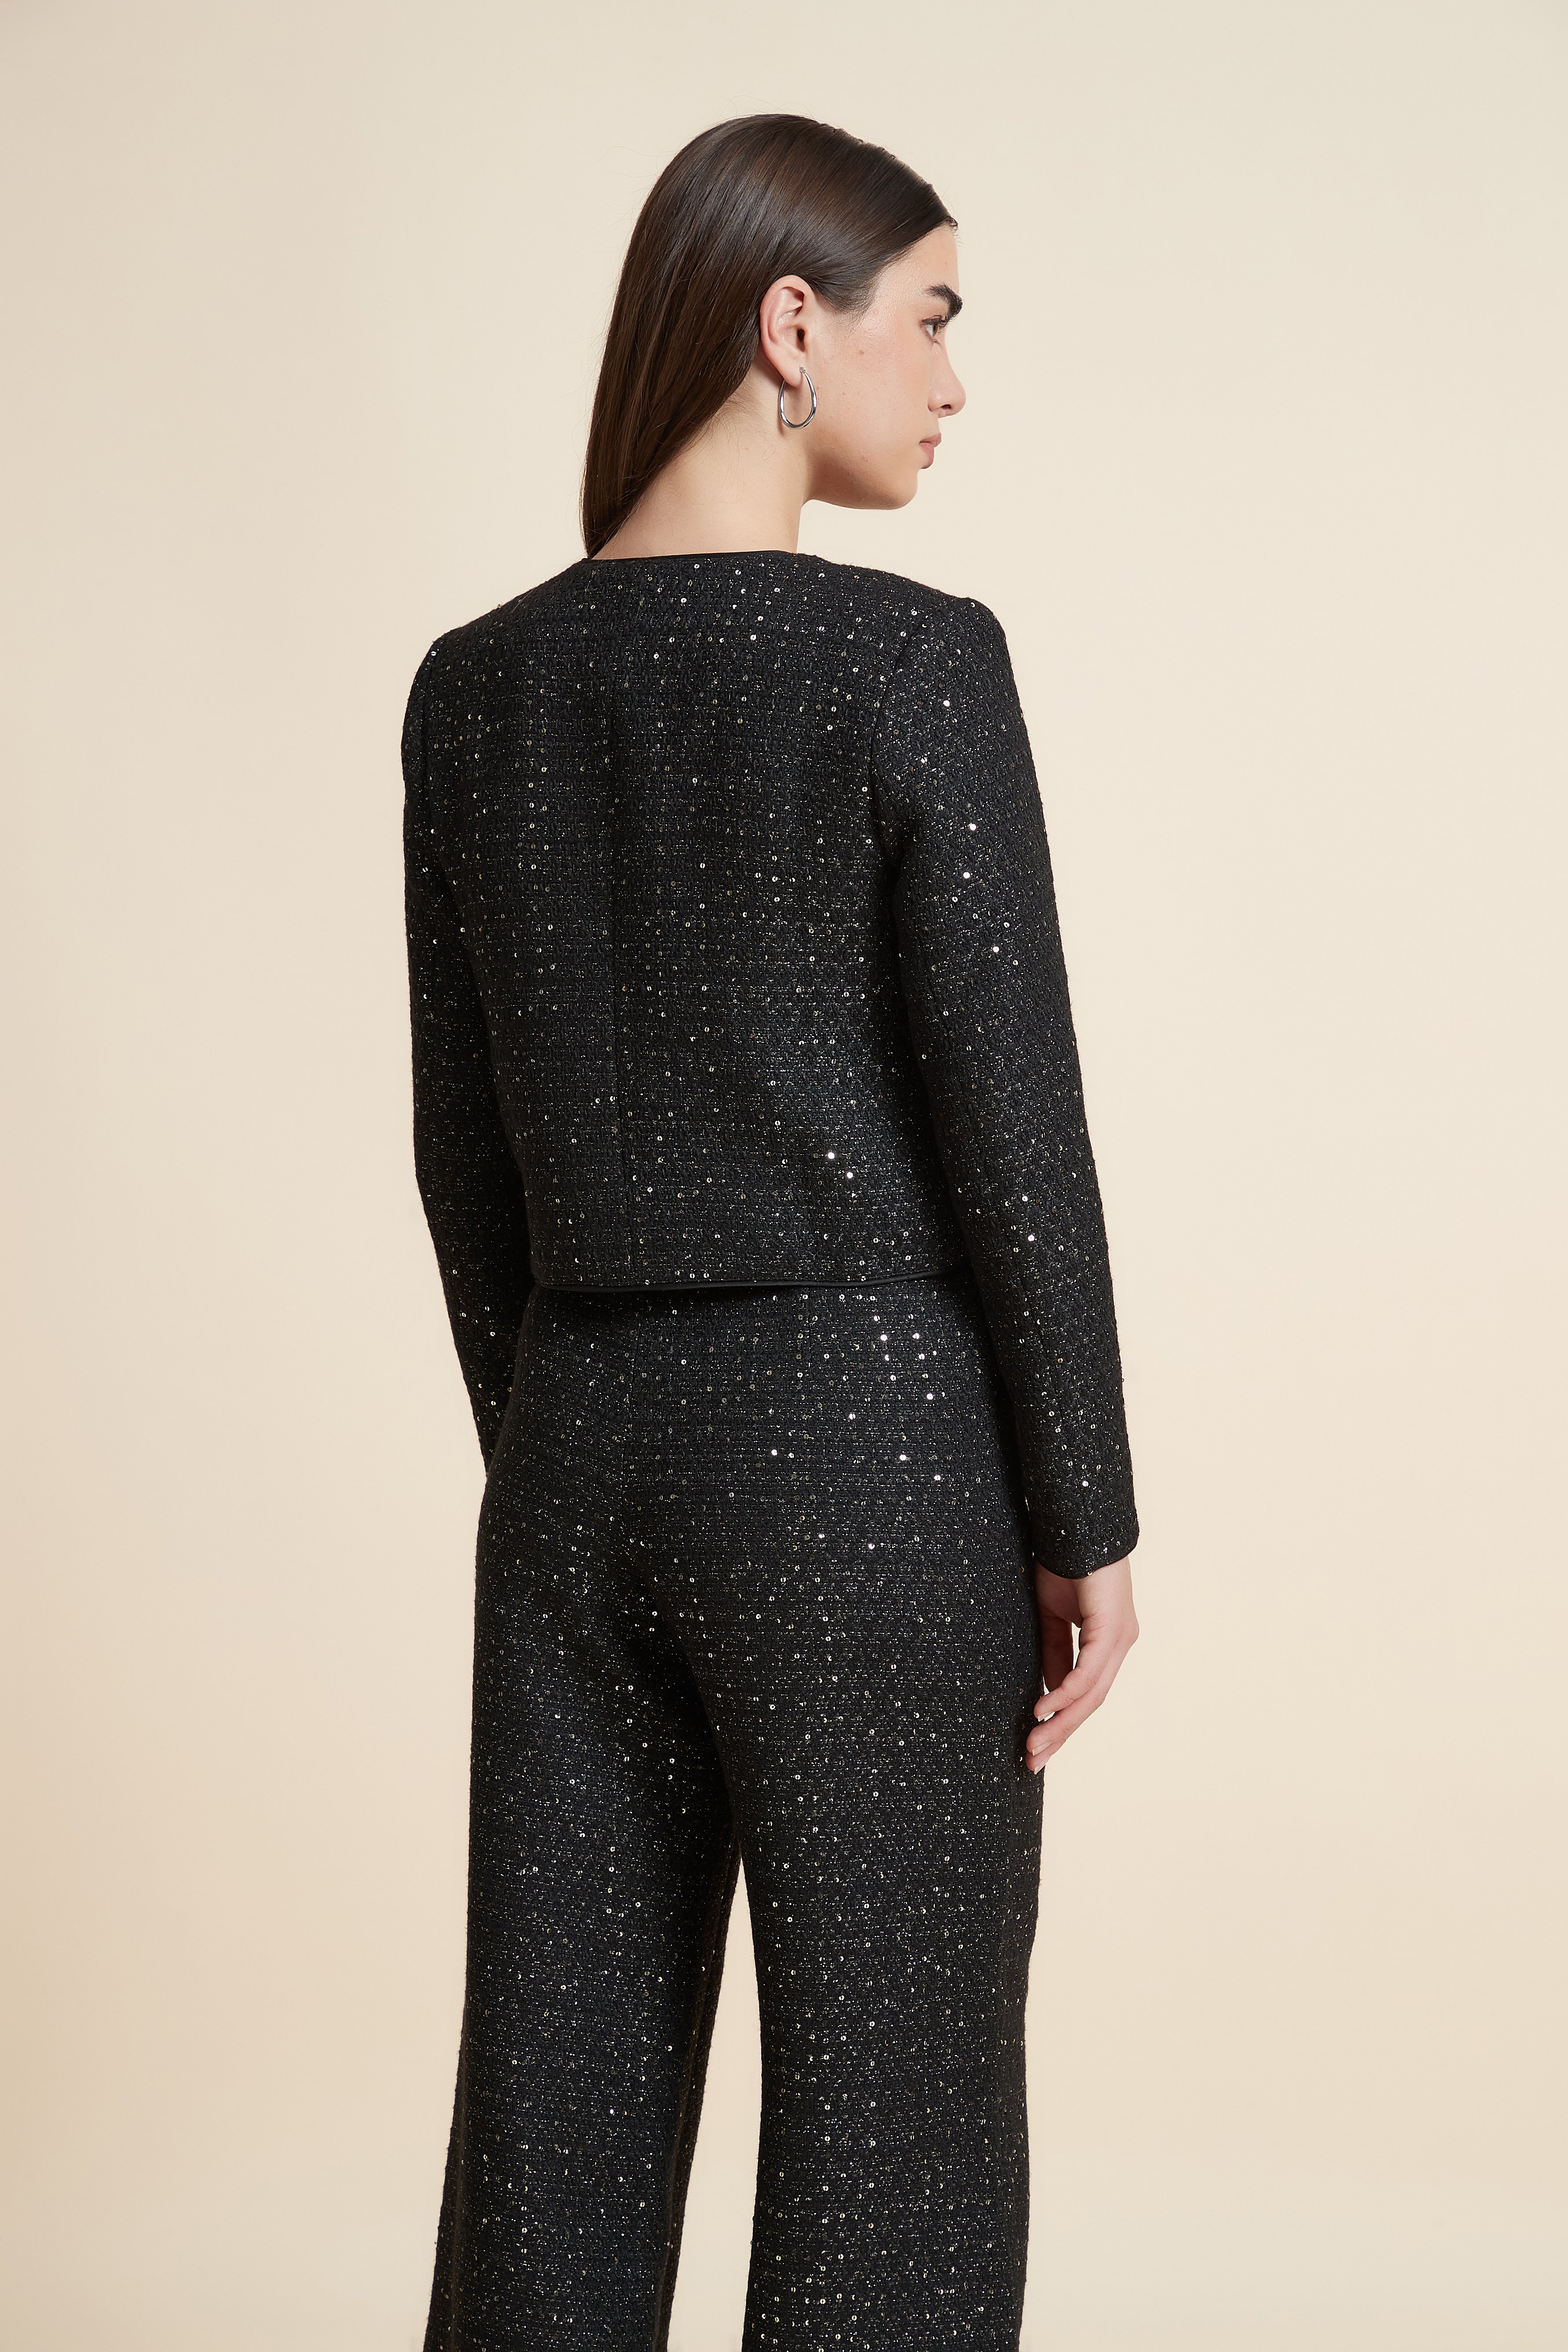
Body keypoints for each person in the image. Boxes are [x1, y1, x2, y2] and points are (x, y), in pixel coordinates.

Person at [403, 111, 1140, 2352]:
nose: (954, 378)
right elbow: (1014, 1129)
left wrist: (566, 1433)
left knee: (552, 2129)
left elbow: (466, 1159)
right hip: (870, 1454)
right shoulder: (915, 664)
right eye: (934, 317)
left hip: (575, 1455)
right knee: (893, 2145)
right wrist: (1084, 1510)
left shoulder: (474, 689)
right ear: (791, 324)